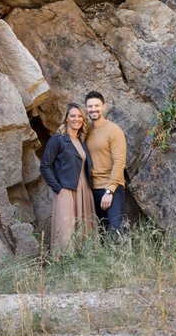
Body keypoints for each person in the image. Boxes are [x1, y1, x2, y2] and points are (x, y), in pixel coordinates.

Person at [40, 103, 96, 252]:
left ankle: (84, 256)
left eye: (79, 116)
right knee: (66, 227)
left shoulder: (81, 141)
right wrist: (58, 188)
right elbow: (45, 166)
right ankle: (64, 261)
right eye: (72, 116)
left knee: (84, 225)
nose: (76, 119)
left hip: (84, 189)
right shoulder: (57, 140)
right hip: (66, 189)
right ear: (66, 118)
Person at [85, 91, 127, 232]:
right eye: (90, 106)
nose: (93, 109)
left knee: (116, 231)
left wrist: (109, 191)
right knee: (101, 234)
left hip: (111, 189)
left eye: (97, 105)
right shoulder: (86, 131)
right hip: (92, 190)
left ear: (104, 107)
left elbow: (119, 162)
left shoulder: (114, 130)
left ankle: (124, 255)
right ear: (86, 108)